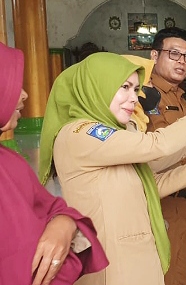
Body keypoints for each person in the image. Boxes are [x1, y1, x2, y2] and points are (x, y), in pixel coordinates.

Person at [38, 52, 186, 285]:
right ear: (97, 85)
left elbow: (151, 185)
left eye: (136, 89)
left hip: (138, 255)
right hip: (111, 261)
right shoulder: (80, 133)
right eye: (125, 87)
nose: (134, 98)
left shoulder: (119, 132)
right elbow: (155, 145)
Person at [0, 43, 108, 285]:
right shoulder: (79, 133)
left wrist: (64, 224)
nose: (25, 94)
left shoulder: (10, 162)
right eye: (12, 83)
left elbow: (52, 208)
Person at [145, 27, 186, 285]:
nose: (182, 62)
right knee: (159, 274)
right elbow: (152, 150)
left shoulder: (180, 98)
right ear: (154, 55)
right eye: (174, 54)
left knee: (180, 275)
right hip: (160, 202)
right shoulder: (141, 96)